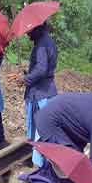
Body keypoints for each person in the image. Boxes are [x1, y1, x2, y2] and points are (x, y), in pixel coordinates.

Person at [19, 22, 58, 167]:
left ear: (37, 28)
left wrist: (26, 79)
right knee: (45, 130)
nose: (27, 34)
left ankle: (41, 166)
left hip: (42, 93)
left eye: (29, 30)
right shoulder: (48, 41)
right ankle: (44, 164)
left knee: (41, 131)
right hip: (46, 91)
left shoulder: (41, 44)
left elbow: (41, 69)